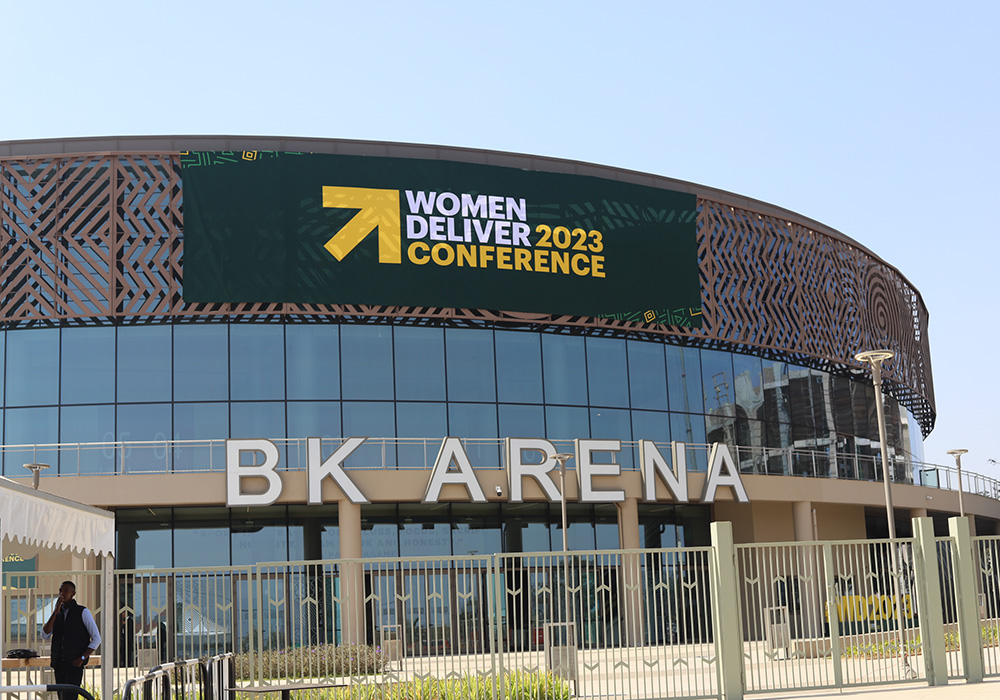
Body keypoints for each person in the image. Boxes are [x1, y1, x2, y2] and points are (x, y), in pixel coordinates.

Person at [42, 581, 101, 700]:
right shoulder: (57, 615)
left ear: (73, 593)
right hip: (59, 664)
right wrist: (55, 613)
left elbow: (96, 638)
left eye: (66, 591)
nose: (62, 594)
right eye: (60, 591)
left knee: (70, 696)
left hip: (74, 663)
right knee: (61, 696)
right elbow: (45, 634)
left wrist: (82, 658)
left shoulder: (82, 612)